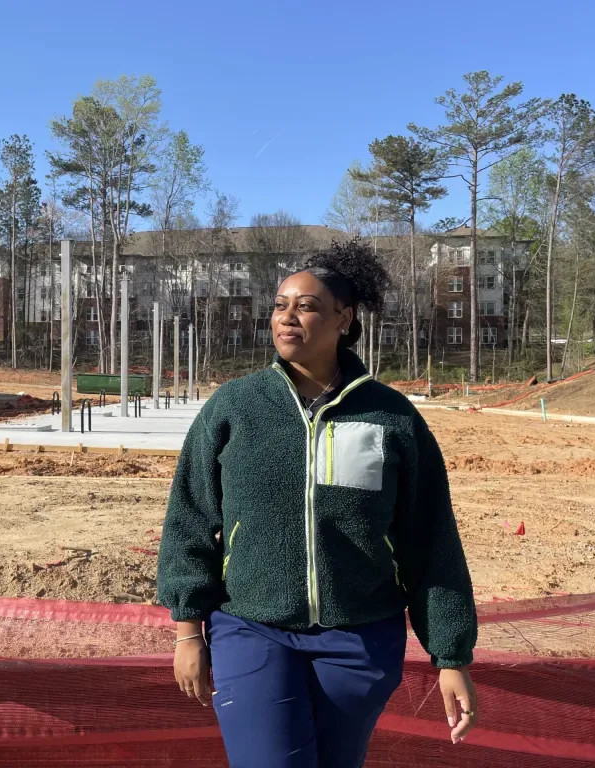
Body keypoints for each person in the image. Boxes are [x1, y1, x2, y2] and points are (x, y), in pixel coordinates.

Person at [157, 239, 478, 768]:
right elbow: (189, 517)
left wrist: (451, 655)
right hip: (251, 627)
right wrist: (188, 627)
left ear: (343, 318)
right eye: (281, 305)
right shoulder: (235, 407)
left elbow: (430, 541)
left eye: (306, 305)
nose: (288, 317)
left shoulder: (390, 417)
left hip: (360, 639)